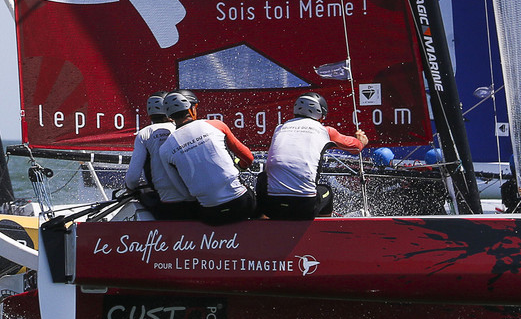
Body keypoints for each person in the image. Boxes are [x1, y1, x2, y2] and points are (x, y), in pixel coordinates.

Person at [258, 93, 366, 220]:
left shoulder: (280, 128)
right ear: (321, 116)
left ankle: (262, 222)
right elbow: (355, 148)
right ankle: (320, 233)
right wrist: (361, 142)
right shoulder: (326, 131)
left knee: (263, 177)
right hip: (304, 208)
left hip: (271, 207)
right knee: (327, 191)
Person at [155, 90, 257, 224]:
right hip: (241, 204)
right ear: (191, 109)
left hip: (210, 213)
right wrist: (240, 166)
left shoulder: (164, 149)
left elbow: (182, 191)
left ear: (169, 116)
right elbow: (248, 158)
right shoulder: (216, 125)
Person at [124, 92, 196, 219]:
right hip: (193, 199)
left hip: (164, 203)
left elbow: (133, 178)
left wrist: (130, 189)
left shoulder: (144, 133)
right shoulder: (181, 128)